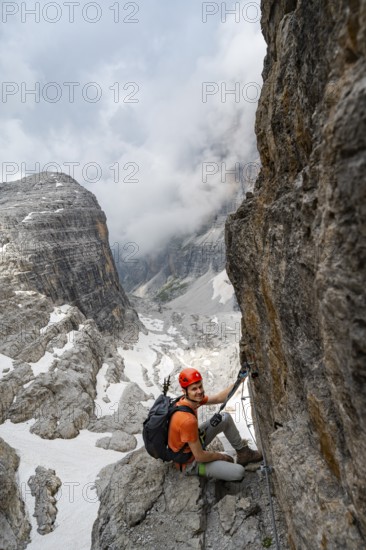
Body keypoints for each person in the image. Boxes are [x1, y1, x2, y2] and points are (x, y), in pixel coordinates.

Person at [168, 367, 262, 481]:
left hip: (193, 444)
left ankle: (244, 453)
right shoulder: (187, 420)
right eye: (194, 389)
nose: (199, 391)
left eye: (200, 386)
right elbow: (200, 456)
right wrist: (221, 456)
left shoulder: (189, 400)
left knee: (224, 418)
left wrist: (239, 381)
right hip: (190, 463)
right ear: (185, 391)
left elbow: (219, 398)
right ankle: (200, 471)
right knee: (239, 472)